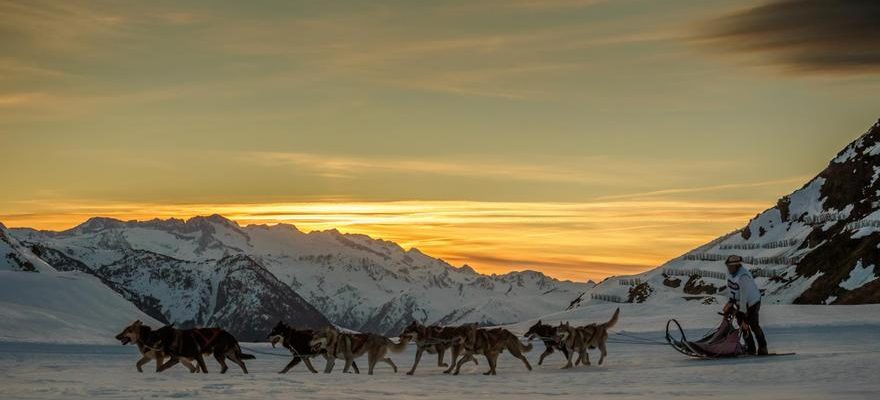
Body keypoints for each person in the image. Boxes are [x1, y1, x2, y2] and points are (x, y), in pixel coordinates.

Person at [722, 255, 768, 355]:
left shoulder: (743, 277)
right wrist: (730, 302)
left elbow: (744, 297)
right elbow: (730, 288)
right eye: (728, 266)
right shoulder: (730, 273)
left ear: (736, 266)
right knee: (743, 326)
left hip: (752, 303)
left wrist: (743, 314)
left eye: (730, 266)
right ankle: (750, 348)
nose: (728, 268)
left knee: (753, 325)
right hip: (740, 302)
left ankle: (763, 348)